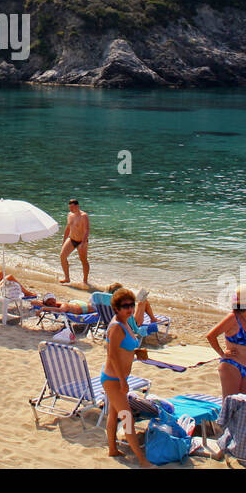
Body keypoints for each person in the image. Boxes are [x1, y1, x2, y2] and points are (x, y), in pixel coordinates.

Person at [101, 287, 156, 467]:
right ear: (116, 308)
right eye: (125, 306)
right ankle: (141, 459)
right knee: (127, 417)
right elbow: (112, 356)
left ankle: (112, 449)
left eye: (131, 305)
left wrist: (137, 353)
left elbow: (126, 348)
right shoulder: (116, 326)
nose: (130, 309)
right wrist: (123, 381)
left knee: (114, 413)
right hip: (113, 379)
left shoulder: (126, 322)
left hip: (117, 378)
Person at [59, 198, 89, 285]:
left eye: (72, 208)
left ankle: (85, 281)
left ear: (77, 206)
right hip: (72, 239)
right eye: (70, 208)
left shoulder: (84, 216)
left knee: (83, 260)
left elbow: (87, 230)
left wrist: (83, 243)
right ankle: (67, 278)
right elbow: (68, 228)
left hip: (81, 241)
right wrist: (64, 240)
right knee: (62, 256)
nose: (71, 209)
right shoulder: (70, 215)